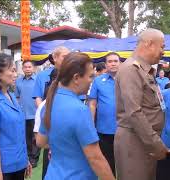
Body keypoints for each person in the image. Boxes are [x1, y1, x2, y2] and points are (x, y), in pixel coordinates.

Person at [36, 52, 115, 180]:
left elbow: (41, 141)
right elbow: (96, 158)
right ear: (76, 78)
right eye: (90, 76)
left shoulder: (49, 103)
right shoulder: (80, 110)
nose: (92, 81)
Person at [115, 28, 170, 180]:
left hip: (143, 141)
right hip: (135, 142)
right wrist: (156, 144)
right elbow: (134, 112)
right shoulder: (131, 70)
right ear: (150, 44)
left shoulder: (144, 70)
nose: (163, 51)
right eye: (162, 46)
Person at [32, 46, 70, 179]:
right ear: (54, 58)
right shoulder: (42, 75)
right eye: (64, 56)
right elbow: (37, 97)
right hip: (48, 121)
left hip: (67, 124)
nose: (67, 59)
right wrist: (44, 114)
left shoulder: (74, 75)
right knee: (49, 166)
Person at [88, 52, 120, 175]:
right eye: (110, 61)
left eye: (115, 61)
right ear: (106, 64)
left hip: (125, 130)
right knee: (108, 164)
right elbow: (92, 104)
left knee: (125, 164)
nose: (113, 63)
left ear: (120, 63)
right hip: (104, 130)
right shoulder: (98, 81)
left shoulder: (127, 80)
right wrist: (91, 125)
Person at [15, 60, 40, 168]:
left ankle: (34, 158)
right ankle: (28, 156)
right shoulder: (18, 81)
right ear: (22, 69)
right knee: (26, 138)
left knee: (35, 138)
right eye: (25, 67)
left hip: (35, 114)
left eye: (29, 67)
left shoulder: (38, 80)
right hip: (23, 114)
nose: (27, 69)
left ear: (34, 68)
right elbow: (17, 97)